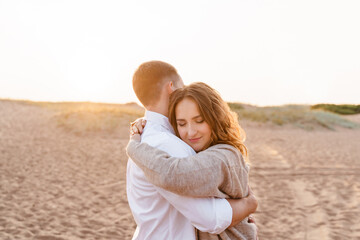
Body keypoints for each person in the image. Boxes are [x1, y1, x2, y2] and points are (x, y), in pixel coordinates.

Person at [126, 61, 258, 240]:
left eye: (199, 120)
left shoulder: (147, 135)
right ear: (171, 88)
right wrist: (249, 204)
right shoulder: (168, 144)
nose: (190, 131)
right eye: (182, 123)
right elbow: (210, 218)